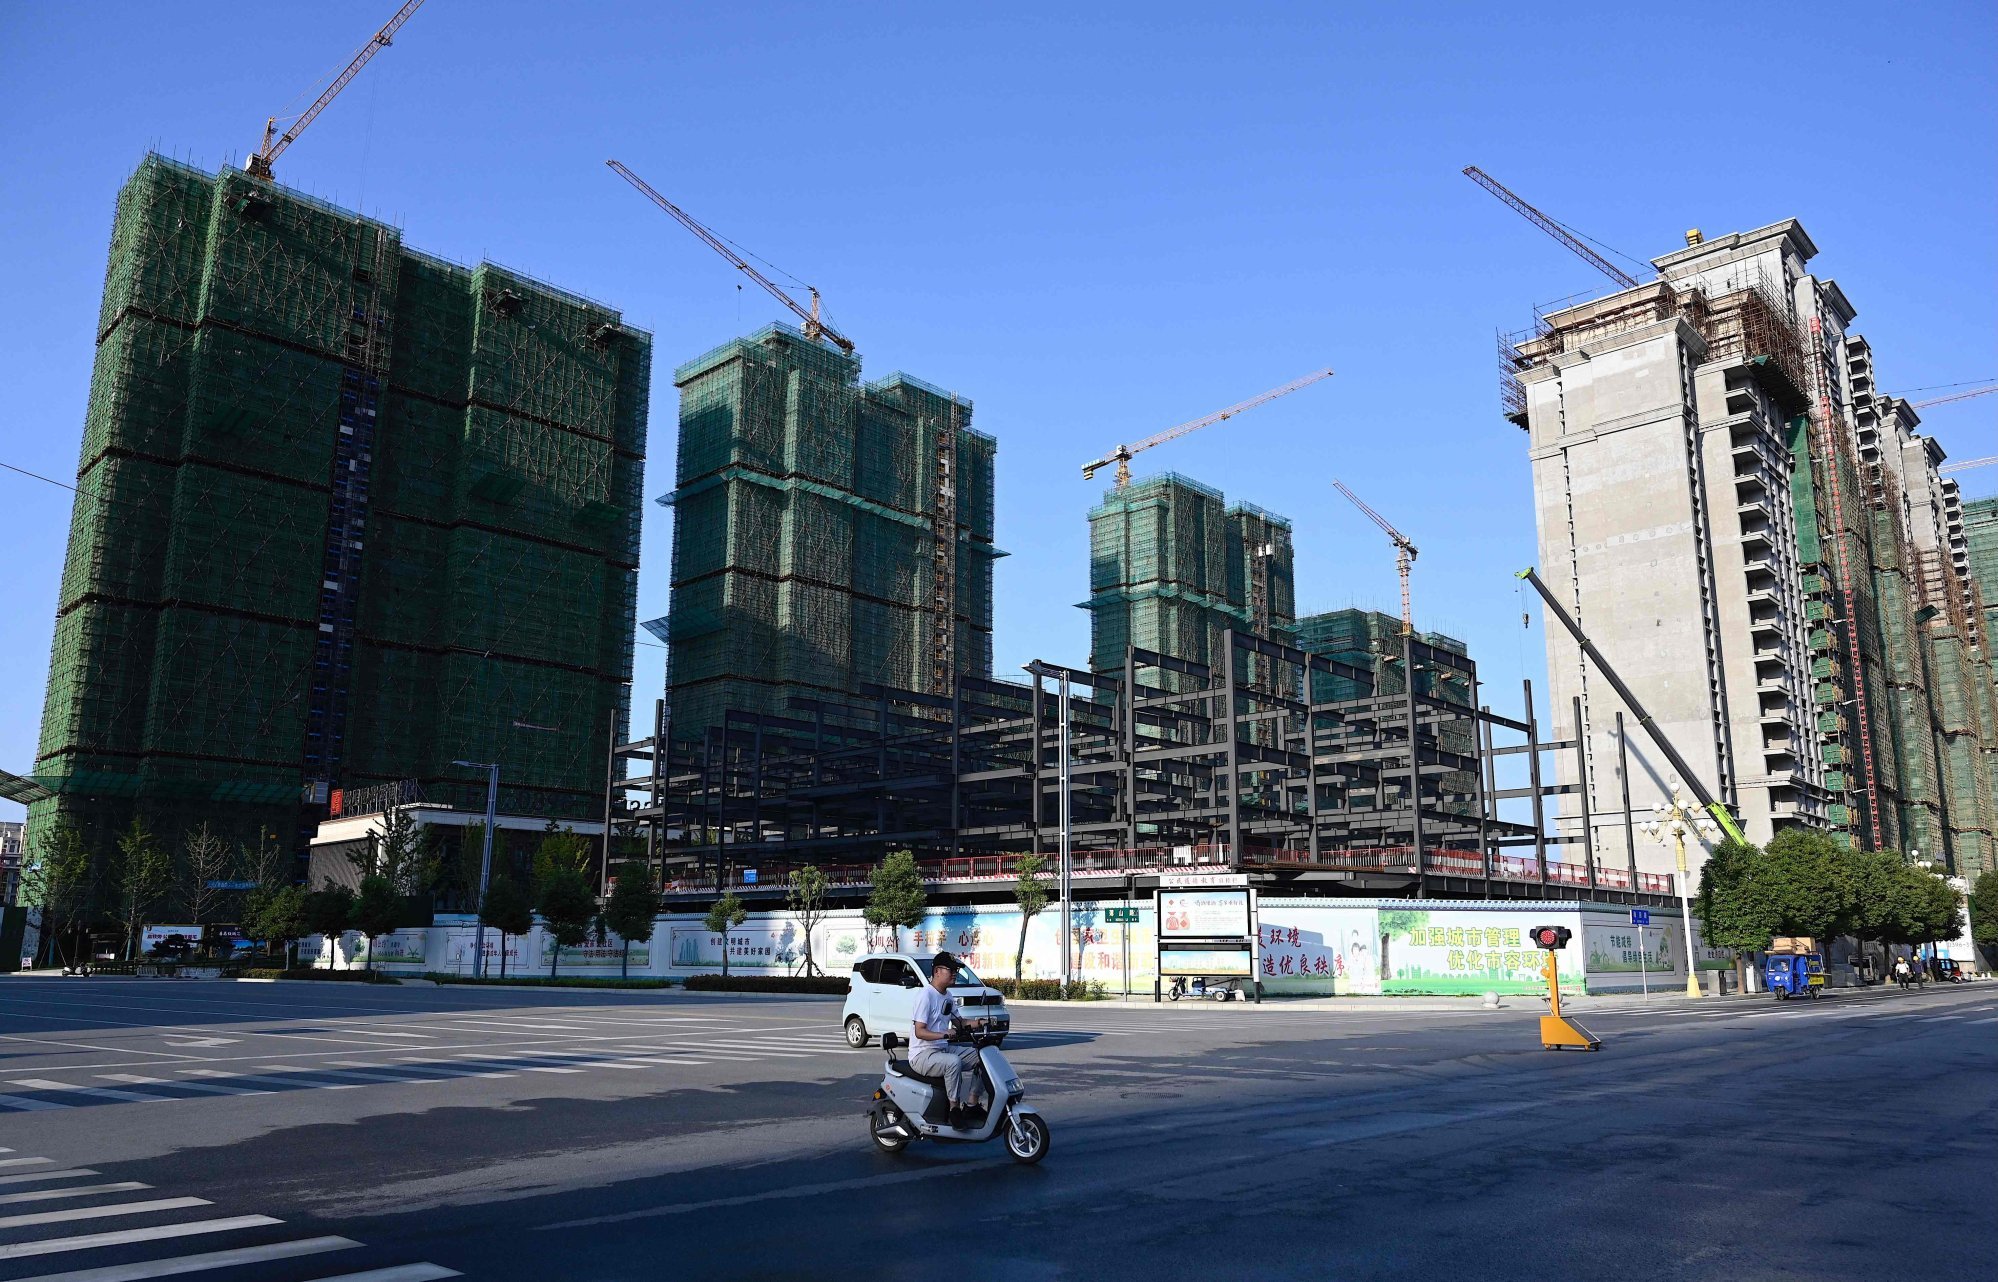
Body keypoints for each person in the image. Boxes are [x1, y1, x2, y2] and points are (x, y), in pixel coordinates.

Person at [910, 950, 987, 1126]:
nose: (954, 974)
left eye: (956, 971)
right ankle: (954, 1109)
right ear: (937, 971)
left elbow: (960, 1022)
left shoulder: (948, 996)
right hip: (922, 1055)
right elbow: (919, 1032)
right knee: (953, 1062)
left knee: (984, 1057)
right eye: (950, 970)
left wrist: (982, 1022)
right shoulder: (925, 996)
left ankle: (972, 1103)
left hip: (942, 1049)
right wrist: (944, 1034)